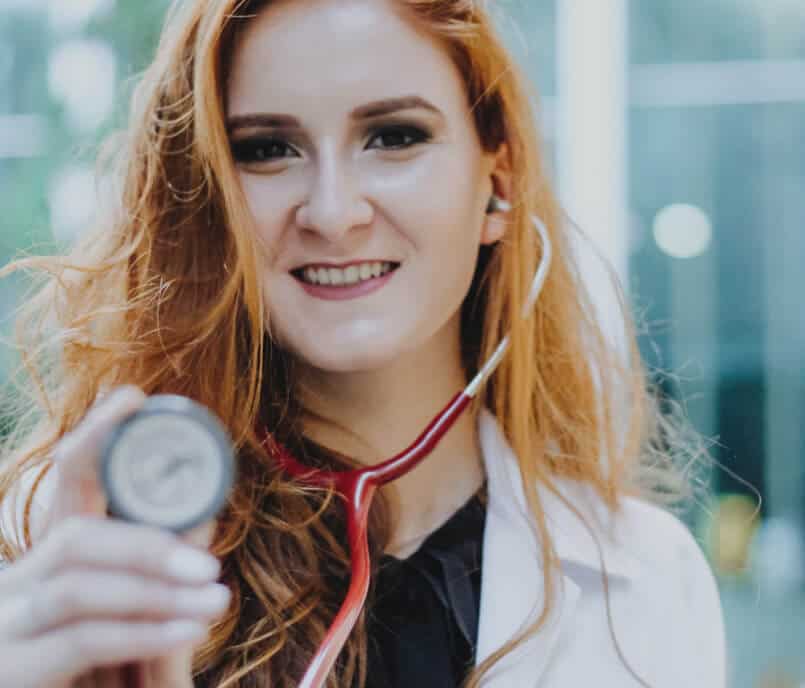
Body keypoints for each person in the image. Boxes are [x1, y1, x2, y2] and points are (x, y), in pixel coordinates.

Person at [0, 0, 726, 686]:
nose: (333, 212)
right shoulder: (53, 553)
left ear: (496, 182)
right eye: (267, 149)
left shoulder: (649, 583)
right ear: (210, 202)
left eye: (394, 137)